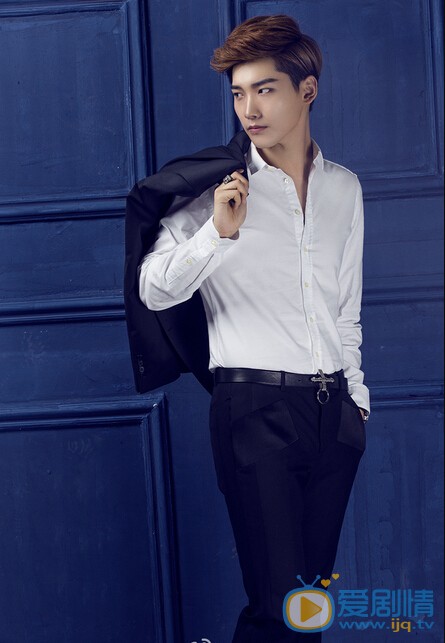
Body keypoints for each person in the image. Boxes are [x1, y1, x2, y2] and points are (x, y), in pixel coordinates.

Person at [125, 14, 370, 642]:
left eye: (265, 89)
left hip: (333, 413)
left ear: (307, 90)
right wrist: (217, 232)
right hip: (255, 410)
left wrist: (357, 404)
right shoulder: (213, 191)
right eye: (238, 93)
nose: (249, 109)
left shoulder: (344, 189)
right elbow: (153, 289)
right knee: (277, 606)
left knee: (308, 605)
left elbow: (345, 309)